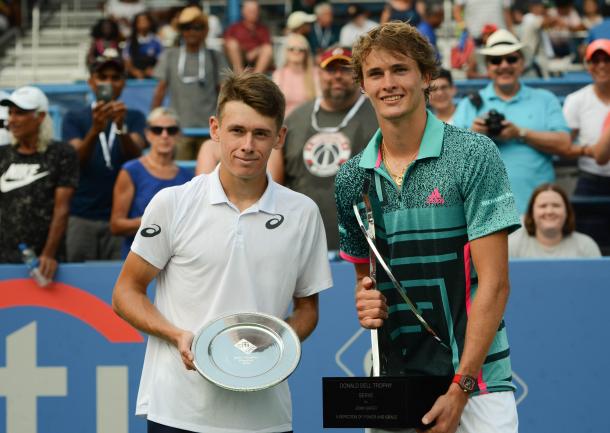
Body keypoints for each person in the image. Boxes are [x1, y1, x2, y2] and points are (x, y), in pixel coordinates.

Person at [112, 71, 332, 433]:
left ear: (280, 137)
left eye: (261, 133)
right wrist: (176, 334)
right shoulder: (173, 203)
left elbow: (307, 309)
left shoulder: (302, 212)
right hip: (178, 411)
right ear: (215, 129)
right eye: (237, 131)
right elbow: (125, 292)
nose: (247, 145)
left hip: (265, 417)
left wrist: (274, 345)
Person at [335, 21, 521, 433]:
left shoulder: (473, 154)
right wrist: (365, 300)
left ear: (427, 77)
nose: (389, 83)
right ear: (363, 86)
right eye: (376, 74)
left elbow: (495, 284)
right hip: (395, 379)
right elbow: (367, 279)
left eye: (400, 69)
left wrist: (460, 388)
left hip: (478, 383)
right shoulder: (350, 179)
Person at [267, 46, 378, 251]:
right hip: (300, 242)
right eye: (330, 70)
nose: (337, 76)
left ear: (358, 75)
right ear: (319, 74)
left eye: (345, 69)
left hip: (363, 245)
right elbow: (273, 184)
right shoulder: (296, 119)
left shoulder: (378, 116)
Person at [453, 29, 571, 214]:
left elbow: (564, 144)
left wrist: (521, 133)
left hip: (537, 213)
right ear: (488, 66)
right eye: (496, 60)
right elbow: (451, 158)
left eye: (511, 59)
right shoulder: (470, 104)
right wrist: (474, 135)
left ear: (522, 63)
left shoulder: (545, 99)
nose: (504, 65)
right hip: (484, 214)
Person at [62, 49, 146, 262]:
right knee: (79, 284)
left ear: (123, 83)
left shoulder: (134, 117)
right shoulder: (75, 117)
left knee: (116, 282)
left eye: (115, 78)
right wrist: (95, 130)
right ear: (91, 82)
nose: (109, 82)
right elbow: (75, 159)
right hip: (82, 216)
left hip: (119, 218)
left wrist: (120, 129)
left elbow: (136, 154)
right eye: (103, 77)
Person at [0, 86, 79, 279]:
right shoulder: (2, 155)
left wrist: (49, 254)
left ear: (41, 116)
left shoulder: (62, 154)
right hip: (4, 258)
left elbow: (62, 209)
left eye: (20, 113)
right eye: (10, 113)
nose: (12, 119)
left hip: (47, 262)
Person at [110, 107, 192, 258]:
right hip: (137, 257)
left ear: (178, 135)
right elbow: (116, 225)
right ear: (147, 134)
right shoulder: (131, 170)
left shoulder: (187, 177)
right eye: (157, 130)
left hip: (174, 259)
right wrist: (155, 221)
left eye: (171, 130)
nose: (164, 135)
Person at [152, 6, 228, 160]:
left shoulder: (215, 56)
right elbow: (160, 90)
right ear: (181, 31)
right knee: (182, 177)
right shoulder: (170, 55)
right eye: (186, 27)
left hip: (210, 131)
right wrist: (153, 122)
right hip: (179, 131)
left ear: (205, 31)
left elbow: (224, 92)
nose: (191, 32)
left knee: (210, 177)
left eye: (197, 27)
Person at [562, 38, 610, 251]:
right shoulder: (577, 100)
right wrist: (588, 151)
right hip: (590, 180)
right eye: (595, 60)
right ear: (587, 65)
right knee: (589, 245)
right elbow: (563, 145)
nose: (601, 65)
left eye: (607, 60)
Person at [509, 183, 601, 258]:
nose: (549, 211)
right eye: (543, 206)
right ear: (531, 213)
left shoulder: (586, 246)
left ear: (567, 212)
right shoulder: (512, 246)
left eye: (556, 205)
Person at [272, 33, 317, 117]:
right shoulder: (279, 74)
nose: (296, 52)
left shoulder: (315, 73)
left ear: (306, 53)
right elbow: (275, 105)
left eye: (301, 49)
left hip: (309, 121)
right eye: (292, 49)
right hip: (286, 122)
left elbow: (320, 102)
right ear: (286, 51)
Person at [224, 0, 274, 73]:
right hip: (239, 59)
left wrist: (255, 51)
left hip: (257, 61)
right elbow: (227, 43)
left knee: (267, 49)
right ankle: (240, 76)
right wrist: (243, 51)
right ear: (243, 12)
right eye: (250, 11)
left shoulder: (263, 29)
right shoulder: (234, 28)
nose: (253, 13)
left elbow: (267, 45)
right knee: (232, 44)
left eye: (255, 11)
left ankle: (255, 78)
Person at [123, 11, 163, 79]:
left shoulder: (156, 40)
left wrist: (154, 70)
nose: (143, 23)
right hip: (134, 77)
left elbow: (162, 60)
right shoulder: (130, 41)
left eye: (145, 20)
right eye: (140, 21)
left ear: (150, 23)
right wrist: (135, 72)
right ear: (135, 24)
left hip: (153, 75)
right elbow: (127, 62)